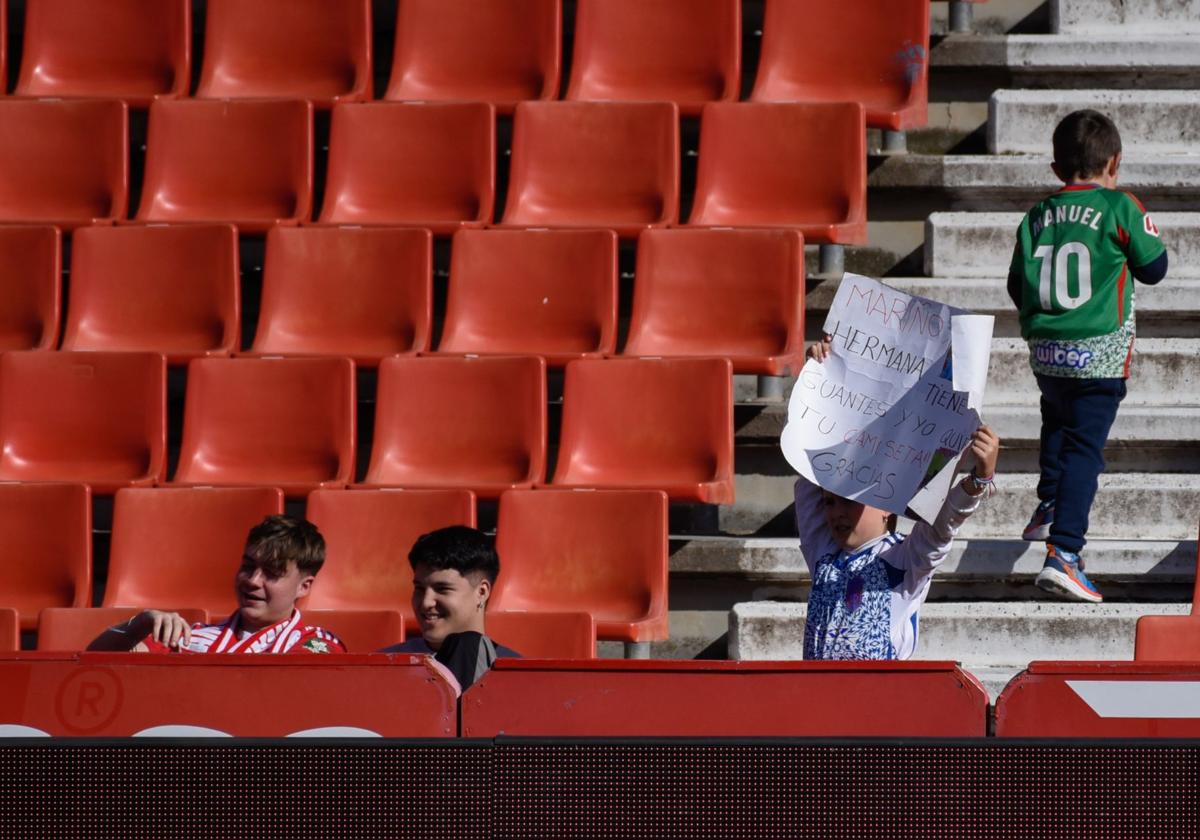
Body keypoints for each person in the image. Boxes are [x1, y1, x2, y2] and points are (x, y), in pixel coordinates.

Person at [1007, 109, 1168, 603]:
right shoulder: (1120, 207)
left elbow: (1017, 285)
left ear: (1056, 170)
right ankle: (1065, 554)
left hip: (1048, 351)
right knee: (1083, 447)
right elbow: (1155, 268)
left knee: (1056, 417)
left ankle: (1050, 502)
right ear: (1114, 162)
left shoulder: (1036, 215)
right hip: (1099, 352)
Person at [798, 337, 1000, 660]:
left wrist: (977, 482)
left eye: (850, 500)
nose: (836, 512)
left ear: (886, 505)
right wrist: (818, 380)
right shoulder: (823, 554)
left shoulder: (905, 560)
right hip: (818, 704)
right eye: (830, 502)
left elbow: (940, 530)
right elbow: (807, 465)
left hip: (881, 705)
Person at [89, 515, 345, 654]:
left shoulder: (316, 644)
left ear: (304, 587)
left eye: (271, 573)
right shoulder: (188, 638)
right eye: (247, 566)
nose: (252, 581)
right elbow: (94, 663)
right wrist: (141, 623)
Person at [380, 526, 519, 689]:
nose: (426, 602)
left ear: (481, 592)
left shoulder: (519, 676)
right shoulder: (382, 667)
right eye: (419, 588)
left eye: (442, 589)